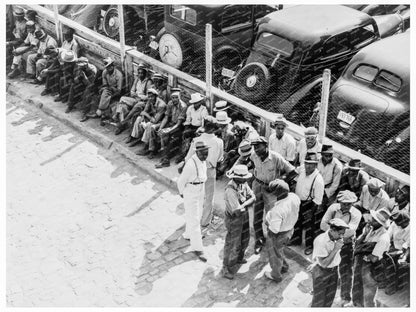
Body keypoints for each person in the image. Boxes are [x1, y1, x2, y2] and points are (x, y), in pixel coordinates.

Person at [250, 136, 296, 254]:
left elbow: (292, 172)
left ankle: (272, 243)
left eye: (258, 146)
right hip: (257, 186)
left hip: (271, 191)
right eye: (254, 147)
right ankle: (259, 240)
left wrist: (278, 182)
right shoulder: (254, 156)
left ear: (266, 146)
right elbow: (252, 165)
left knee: (271, 218)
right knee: (257, 216)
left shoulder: (275, 157)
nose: (256, 149)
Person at [320, 190, 362, 306]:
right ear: (339, 202)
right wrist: (338, 232)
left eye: (350, 204)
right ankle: (323, 289)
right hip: (330, 241)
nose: (347, 206)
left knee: (346, 271)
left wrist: (333, 229)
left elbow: (349, 232)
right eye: (344, 203)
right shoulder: (333, 208)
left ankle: (345, 297)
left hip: (346, 245)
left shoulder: (357, 214)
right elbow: (322, 224)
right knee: (326, 265)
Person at [185, 119, 224, 229]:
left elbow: (188, 157)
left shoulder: (197, 140)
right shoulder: (219, 142)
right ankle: (205, 221)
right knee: (209, 196)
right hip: (210, 170)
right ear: (213, 128)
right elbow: (220, 158)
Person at [350, 208, 391, 307]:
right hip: (360, 262)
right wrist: (364, 234)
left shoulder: (384, 237)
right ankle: (356, 304)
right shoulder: (369, 229)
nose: (370, 220)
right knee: (356, 284)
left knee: (369, 292)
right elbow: (356, 244)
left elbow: (374, 258)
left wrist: (364, 252)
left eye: (373, 220)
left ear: (379, 223)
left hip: (371, 267)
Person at [177, 141, 210, 262]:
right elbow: (181, 181)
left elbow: (203, 177)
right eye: (203, 154)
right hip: (191, 190)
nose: (205, 156)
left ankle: (188, 234)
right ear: (197, 152)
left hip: (200, 189)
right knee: (195, 220)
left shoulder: (203, 162)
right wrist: (182, 193)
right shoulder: (190, 165)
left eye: (206, 153)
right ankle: (198, 248)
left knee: (198, 214)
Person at [222, 165, 255, 279]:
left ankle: (239, 258)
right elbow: (237, 211)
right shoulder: (230, 191)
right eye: (244, 177)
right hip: (234, 220)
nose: (246, 179)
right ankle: (226, 267)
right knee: (232, 244)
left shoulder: (243, 184)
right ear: (236, 177)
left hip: (244, 216)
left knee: (245, 239)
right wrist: (247, 203)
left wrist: (244, 204)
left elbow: (253, 197)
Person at [264, 179, 300, 283]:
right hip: (290, 229)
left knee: (274, 254)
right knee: (279, 251)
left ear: (276, 193)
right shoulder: (294, 196)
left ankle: (276, 275)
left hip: (279, 234)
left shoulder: (278, 210)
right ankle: (284, 266)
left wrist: (269, 237)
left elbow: (274, 230)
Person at [309, 218, 349, 307]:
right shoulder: (321, 241)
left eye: (343, 234)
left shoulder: (336, 238)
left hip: (334, 271)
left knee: (329, 299)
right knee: (318, 301)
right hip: (322, 272)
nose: (342, 236)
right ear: (332, 230)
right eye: (340, 234)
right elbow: (323, 264)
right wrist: (336, 249)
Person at [292, 152, 325, 255]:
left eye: (311, 164)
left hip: (310, 204)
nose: (308, 166)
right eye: (306, 163)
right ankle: (296, 241)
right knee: (297, 223)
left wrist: (311, 212)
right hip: (298, 201)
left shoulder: (318, 179)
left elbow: (318, 199)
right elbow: (292, 175)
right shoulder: (301, 170)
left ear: (315, 165)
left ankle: (309, 246)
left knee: (310, 227)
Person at [115, 64, 153, 135]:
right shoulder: (137, 79)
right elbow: (132, 91)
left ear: (145, 73)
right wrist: (134, 94)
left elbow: (148, 96)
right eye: (139, 73)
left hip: (142, 102)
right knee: (122, 103)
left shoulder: (148, 82)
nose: (140, 75)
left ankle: (120, 122)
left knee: (122, 103)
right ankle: (122, 123)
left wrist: (139, 96)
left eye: (142, 73)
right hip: (134, 99)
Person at [155, 89, 187, 168]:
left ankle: (166, 161)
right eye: (172, 98)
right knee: (160, 132)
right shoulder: (170, 104)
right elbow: (166, 117)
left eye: (176, 97)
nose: (174, 99)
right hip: (171, 124)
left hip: (180, 127)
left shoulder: (183, 106)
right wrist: (161, 128)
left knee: (169, 137)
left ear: (179, 98)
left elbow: (179, 124)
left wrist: (168, 130)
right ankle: (157, 153)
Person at [87, 57, 123, 124]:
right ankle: (101, 114)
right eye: (107, 67)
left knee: (105, 94)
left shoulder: (119, 75)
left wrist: (109, 89)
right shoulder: (105, 72)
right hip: (108, 89)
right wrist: (104, 88)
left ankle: (100, 113)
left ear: (113, 66)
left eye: (110, 67)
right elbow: (105, 84)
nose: (108, 69)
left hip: (116, 91)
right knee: (101, 93)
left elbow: (119, 90)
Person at [176, 93, 209, 163]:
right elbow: (188, 120)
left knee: (193, 139)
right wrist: (186, 129)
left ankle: (187, 156)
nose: (195, 104)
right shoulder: (190, 108)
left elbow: (203, 124)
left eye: (197, 103)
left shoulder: (203, 110)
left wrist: (196, 131)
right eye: (194, 103)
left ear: (200, 102)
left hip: (199, 128)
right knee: (184, 135)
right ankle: (182, 155)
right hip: (191, 127)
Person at [134, 88, 167, 158]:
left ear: (156, 96)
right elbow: (145, 110)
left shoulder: (161, 105)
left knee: (150, 126)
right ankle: (135, 137)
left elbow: (156, 120)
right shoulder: (150, 101)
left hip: (161, 122)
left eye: (152, 96)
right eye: (149, 96)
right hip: (152, 118)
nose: (150, 98)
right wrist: (143, 117)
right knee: (139, 119)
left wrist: (146, 115)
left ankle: (149, 149)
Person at [384, 211, 410, 295]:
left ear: (405, 221)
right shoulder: (395, 224)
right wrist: (385, 247)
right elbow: (388, 235)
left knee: (400, 264)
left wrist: (403, 256)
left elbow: (409, 246)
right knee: (386, 258)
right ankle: (388, 282)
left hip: (408, 251)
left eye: (397, 221)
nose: (395, 223)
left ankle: (398, 284)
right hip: (395, 247)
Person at [317, 144, 343, 208]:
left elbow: (335, 184)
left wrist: (325, 193)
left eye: (330, 155)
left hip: (328, 190)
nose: (328, 157)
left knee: (321, 207)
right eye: (326, 155)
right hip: (316, 186)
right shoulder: (316, 161)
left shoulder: (337, 166)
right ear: (322, 154)